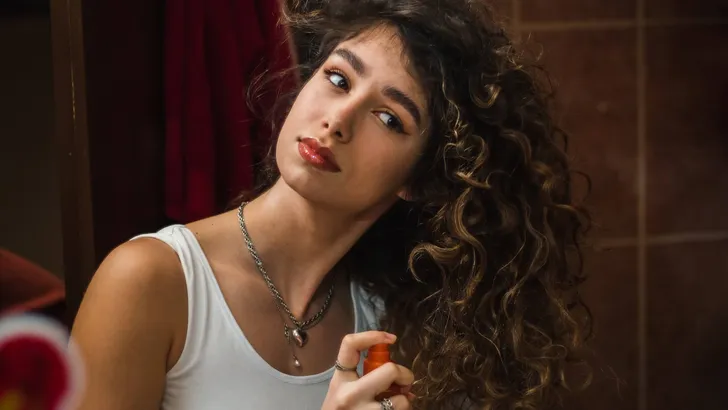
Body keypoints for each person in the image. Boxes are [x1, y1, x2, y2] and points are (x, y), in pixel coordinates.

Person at [70, 0, 593, 409]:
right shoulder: (150, 282)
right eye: (338, 78)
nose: (338, 119)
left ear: (420, 181)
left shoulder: (395, 325)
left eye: (389, 118)